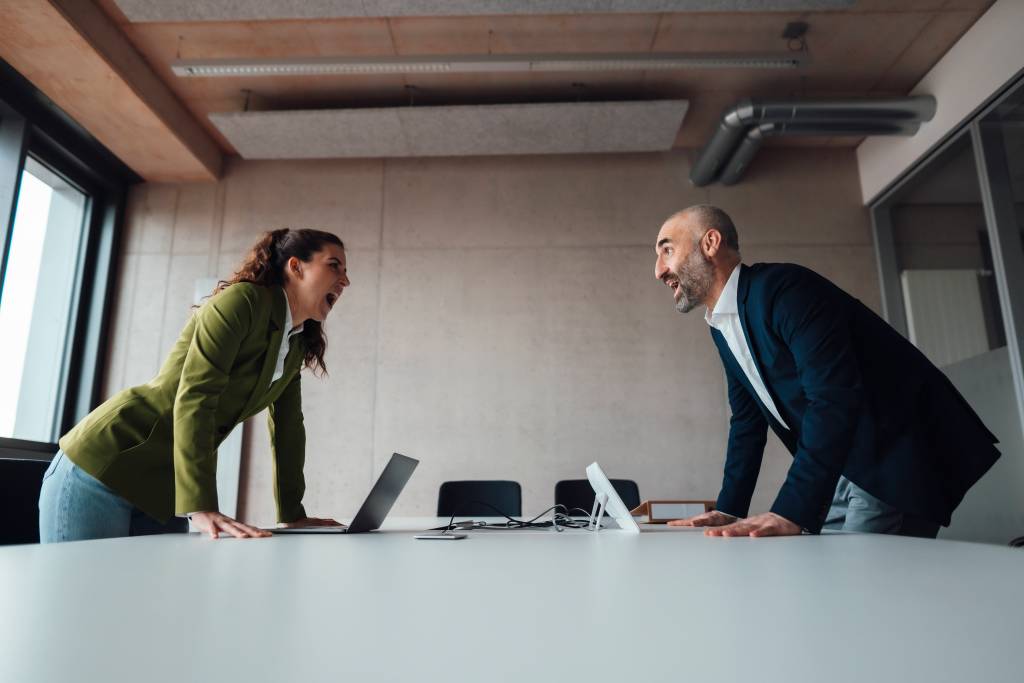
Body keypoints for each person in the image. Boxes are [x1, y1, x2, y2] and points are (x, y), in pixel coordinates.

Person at [653, 205, 1000, 538]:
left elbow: (833, 397)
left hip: (890, 453)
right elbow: (747, 422)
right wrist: (730, 508)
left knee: (865, 586)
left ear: (710, 243)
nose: (658, 270)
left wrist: (791, 510)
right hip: (841, 464)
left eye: (666, 250)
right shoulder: (721, 325)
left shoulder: (784, 290)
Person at [39, 228, 350, 542]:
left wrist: (292, 515)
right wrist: (201, 504)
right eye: (334, 265)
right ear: (295, 267)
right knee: (83, 592)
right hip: (103, 468)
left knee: (151, 593)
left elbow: (288, 427)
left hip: (160, 491)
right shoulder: (244, 301)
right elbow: (196, 397)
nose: (345, 280)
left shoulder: (294, 342)